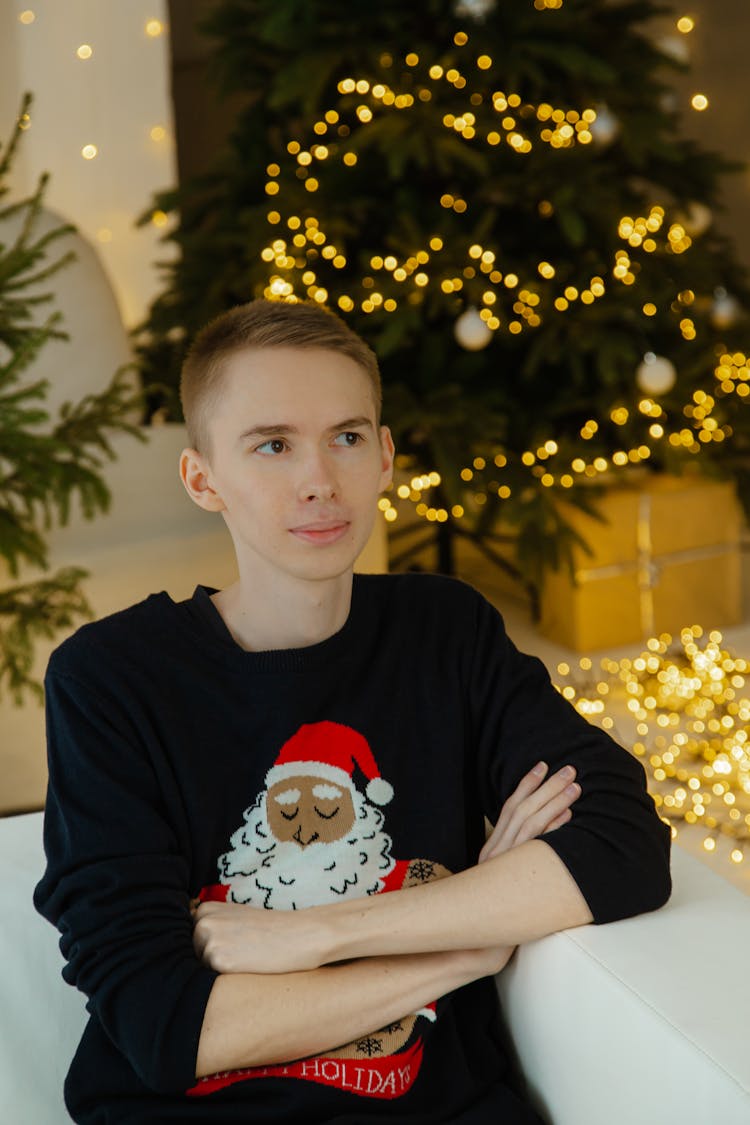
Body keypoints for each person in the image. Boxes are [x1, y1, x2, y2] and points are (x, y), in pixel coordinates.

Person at [34, 298, 671, 1123]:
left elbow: (623, 845)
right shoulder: (110, 678)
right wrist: (468, 942)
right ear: (203, 478)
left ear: (386, 457)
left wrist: (321, 934)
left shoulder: (445, 630)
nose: (319, 481)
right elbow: (166, 1025)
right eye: (272, 444)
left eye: (347, 436)